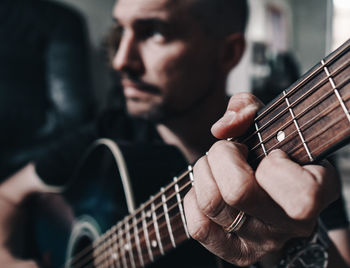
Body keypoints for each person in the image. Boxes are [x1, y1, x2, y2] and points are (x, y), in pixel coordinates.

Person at [0, 0, 349, 267]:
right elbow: (7, 196)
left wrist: (295, 245)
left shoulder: (285, 143)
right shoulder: (108, 135)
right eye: (120, 31)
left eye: (155, 32)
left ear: (228, 53)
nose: (121, 60)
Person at [0, 0, 95, 180]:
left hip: (29, 174)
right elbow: (74, 115)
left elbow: (73, 118)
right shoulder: (59, 20)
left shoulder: (57, 21)